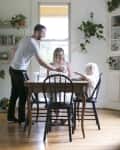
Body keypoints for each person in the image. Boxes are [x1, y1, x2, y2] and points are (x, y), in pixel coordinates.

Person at [7, 24, 63, 123]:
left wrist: (13, 61)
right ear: (37, 32)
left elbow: (14, 49)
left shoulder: (25, 39)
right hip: (20, 71)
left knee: (14, 94)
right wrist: (55, 68)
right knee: (24, 95)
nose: (44, 36)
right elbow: (41, 61)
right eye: (43, 33)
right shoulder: (33, 43)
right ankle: (22, 119)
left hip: (12, 69)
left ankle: (10, 117)